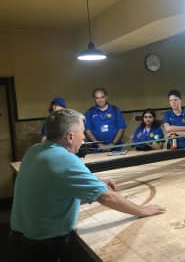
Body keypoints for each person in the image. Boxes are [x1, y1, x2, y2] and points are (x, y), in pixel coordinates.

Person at [9, 109, 166, 262]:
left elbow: (59, 178)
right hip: (43, 247)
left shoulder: (34, 150)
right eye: (82, 132)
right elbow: (106, 196)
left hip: (18, 239)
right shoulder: (65, 159)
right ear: (70, 136)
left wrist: (95, 181)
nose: (83, 137)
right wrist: (141, 210)